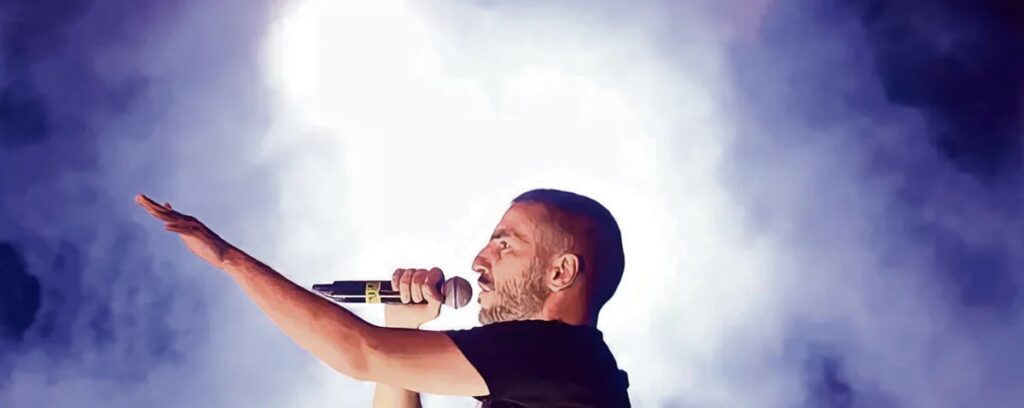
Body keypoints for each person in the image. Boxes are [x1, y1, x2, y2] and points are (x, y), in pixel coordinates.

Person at [136, 188, 631, 407]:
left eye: (505, 245)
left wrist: (228, 258)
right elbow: (372, 355)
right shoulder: (545, 379)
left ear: (561, 272)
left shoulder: (563, 356)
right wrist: (401, 326)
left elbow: (359, 352)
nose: (479, 260)